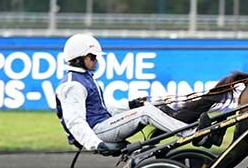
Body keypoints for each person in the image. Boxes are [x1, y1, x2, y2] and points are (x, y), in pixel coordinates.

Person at [55, 34, 195, 156]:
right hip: (98, 132)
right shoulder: (72, 85)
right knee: (145, 113)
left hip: (104, 125)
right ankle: (191, 133)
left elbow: (103, 109)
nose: (96, 60)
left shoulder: (85, 78)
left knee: (149, 106)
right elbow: (75, 122)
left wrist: (129, 105)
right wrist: (96, 145)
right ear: (78, 59)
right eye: (92, 57)